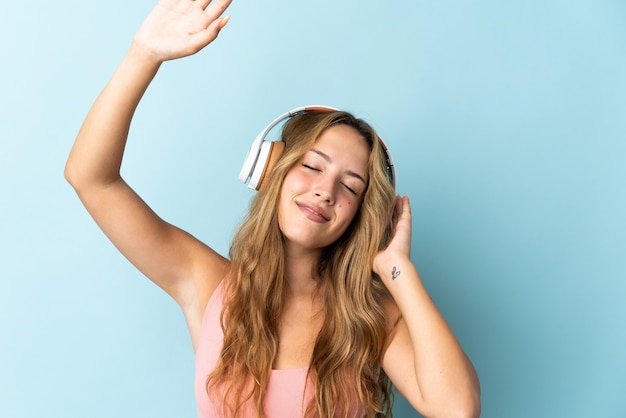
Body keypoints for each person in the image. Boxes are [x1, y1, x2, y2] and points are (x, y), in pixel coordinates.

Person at [65, 0, 481, 417]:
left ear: (361, 216)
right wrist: (144, 54)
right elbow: (91, 178)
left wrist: (397, 268)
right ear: (270, 170)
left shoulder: (372, 319)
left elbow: (458, 409)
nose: (325, 191)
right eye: (312, 167)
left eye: (350, 187)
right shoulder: (207, 284)